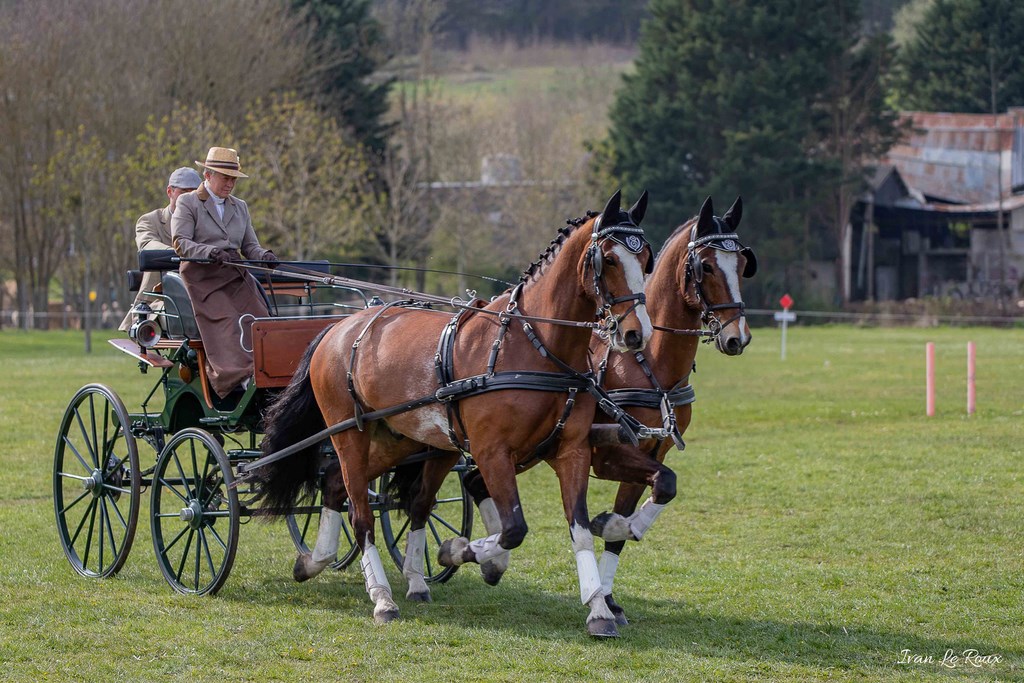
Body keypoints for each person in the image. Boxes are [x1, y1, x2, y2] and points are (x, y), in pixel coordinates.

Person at [171, 147, 278, 398]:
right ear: (207, 176)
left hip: (235, 276)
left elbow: (250, 246)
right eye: (225, 178)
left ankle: (267, 371)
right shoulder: (188, 203)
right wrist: (210, 253)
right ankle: (237, 376)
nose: (230, 184)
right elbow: (181, 242)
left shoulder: (240, 207)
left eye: (234, 179)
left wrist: (264, 256)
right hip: (202, 279)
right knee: (230, 321)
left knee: (261, 320)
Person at [119, 167, 203, 331]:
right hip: (161, 298)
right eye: (184, 192)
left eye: (194, 194)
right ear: (169, 192)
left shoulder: (205, 221)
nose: (189, 198)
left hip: (202, 293)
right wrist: (185, 252)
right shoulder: (150, 221)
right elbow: (148, 246)